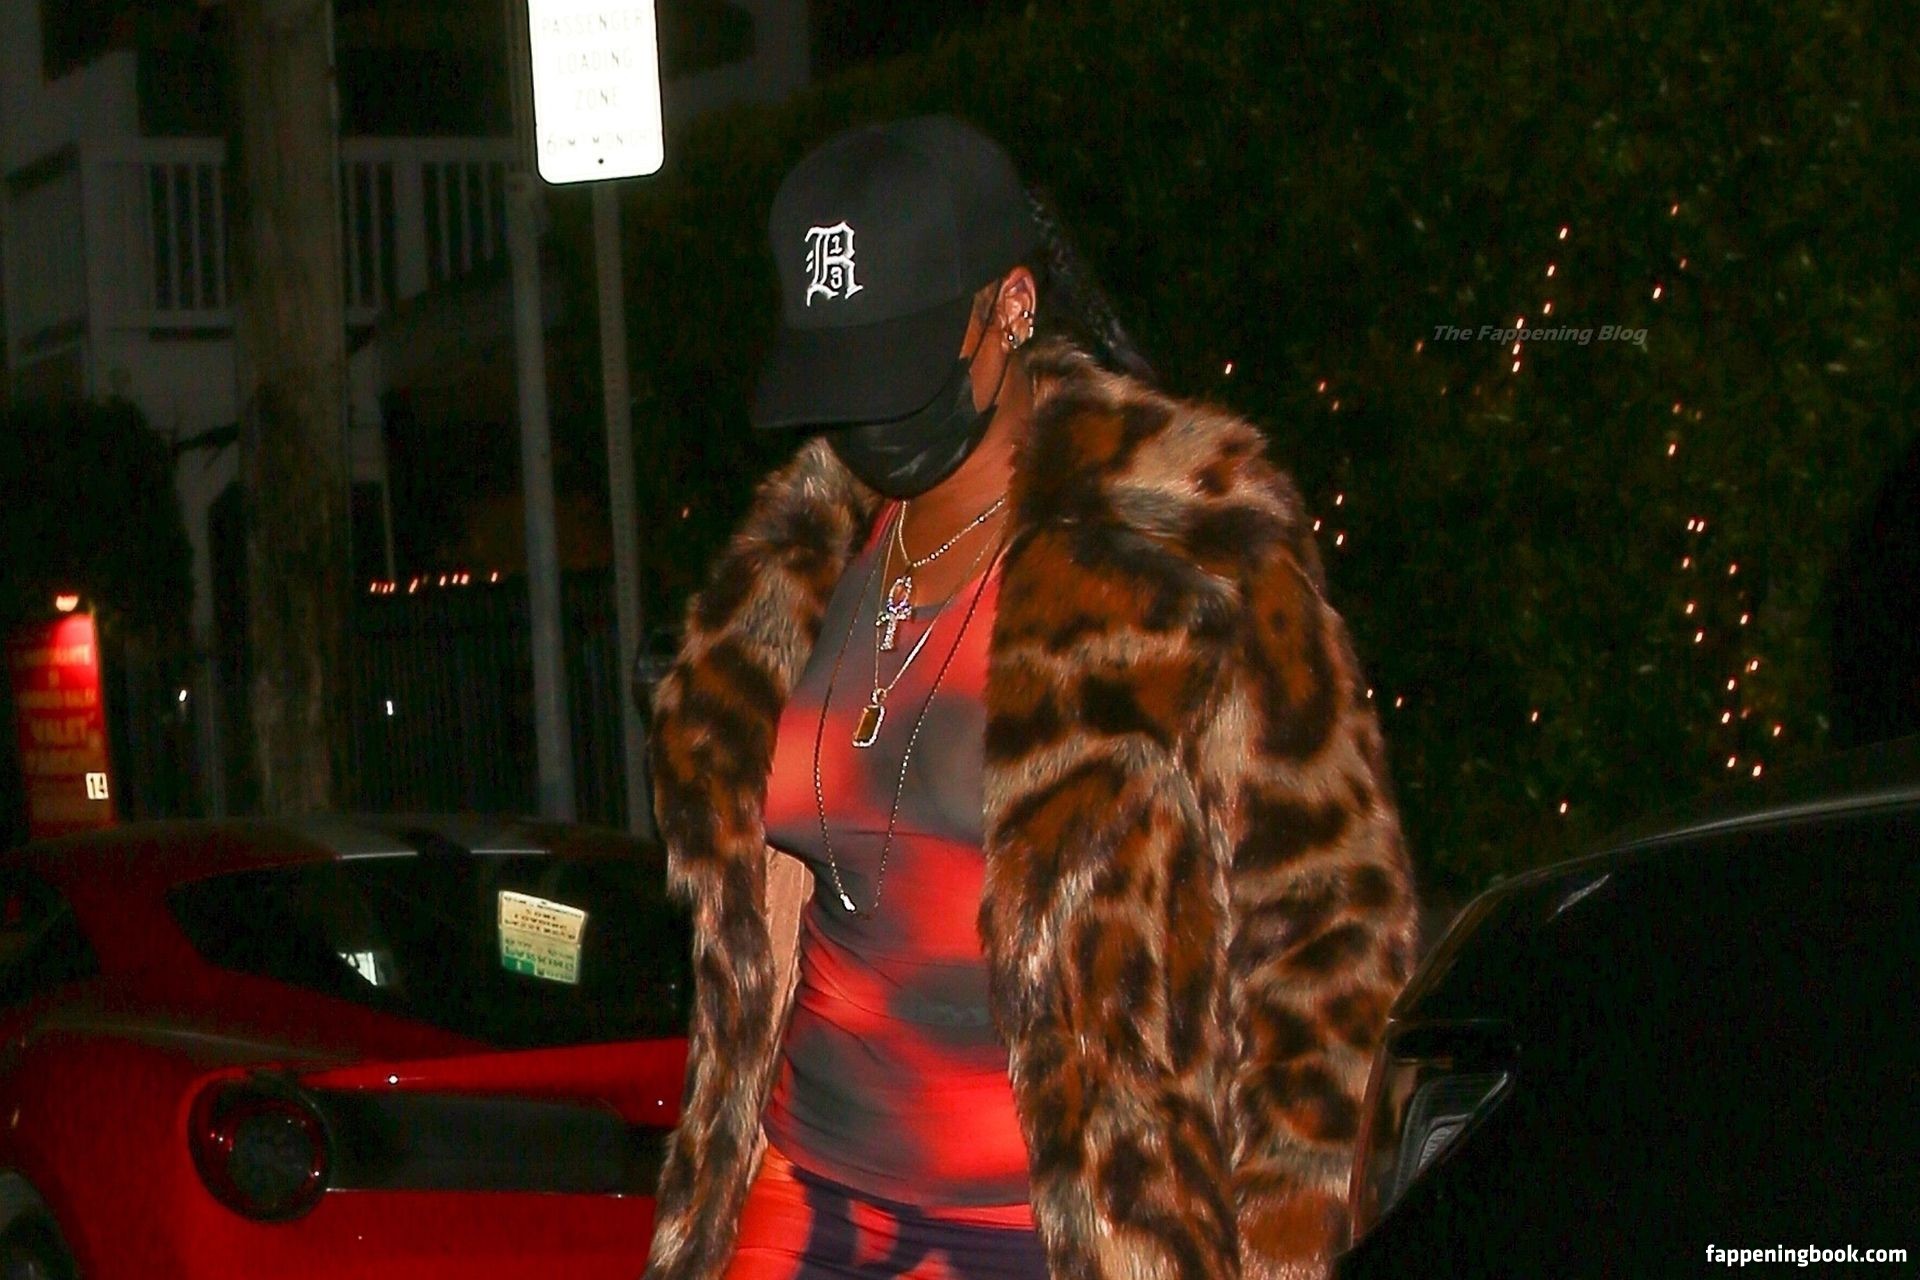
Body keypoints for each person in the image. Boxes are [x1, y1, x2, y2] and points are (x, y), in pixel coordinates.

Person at [643, 115, 1419, 1280]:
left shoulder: (1183, 558)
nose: (867, 418)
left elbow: (1328, 934)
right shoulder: (791, 575)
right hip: (805, 1200)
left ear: (1010, 305)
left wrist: (1290, 1244)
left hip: (1063, 1234)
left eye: (899, 364)